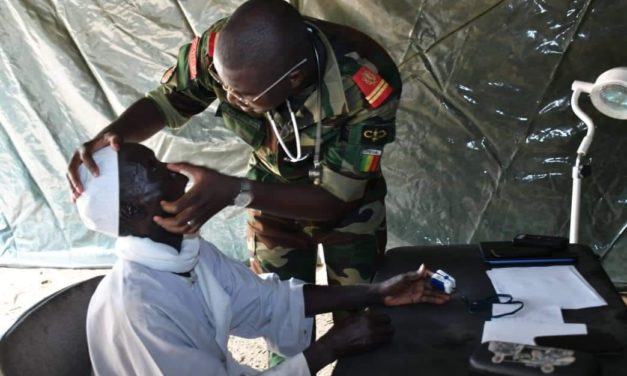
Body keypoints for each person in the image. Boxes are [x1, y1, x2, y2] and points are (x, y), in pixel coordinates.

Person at [76, 144, 449, 376]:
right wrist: (330, 347)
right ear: (130, 208)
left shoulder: (187, 252)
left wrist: (376, 292)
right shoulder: (139, 308)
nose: (173, 167)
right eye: (154, 169)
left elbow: (267, 301)